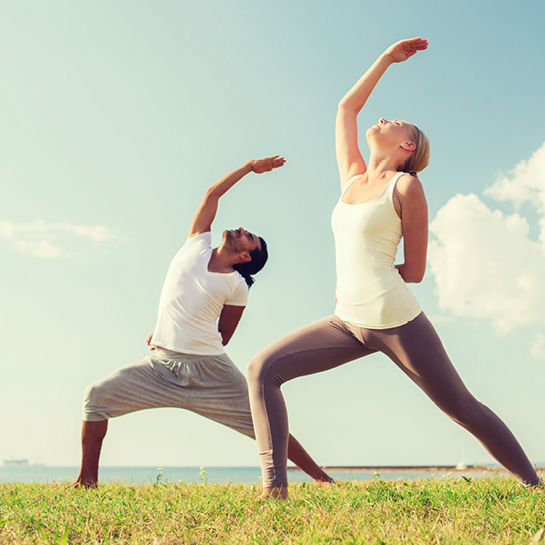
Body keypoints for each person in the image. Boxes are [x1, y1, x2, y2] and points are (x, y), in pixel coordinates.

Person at [246, 39, 544, 499]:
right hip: (346, 321)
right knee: (262, 369)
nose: (381, 118)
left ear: (407, 145)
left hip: (396, 321)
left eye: (395, 121)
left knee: (461, 408)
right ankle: (274, 490)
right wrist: (386, 59)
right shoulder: (352, 178)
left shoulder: (405, 187)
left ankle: (533, 485)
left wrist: (373, 279)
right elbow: (347, 107)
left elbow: (417, 269)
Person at [73, 156, 333, 487]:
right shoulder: (196, 245)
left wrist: (186, 332)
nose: (242, 229)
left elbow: (223, 334)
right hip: (161, 367)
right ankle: (87, 480)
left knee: (266, 424)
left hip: (212, 372)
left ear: (245, 257)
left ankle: (323, 479)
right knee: (95, 397)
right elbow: (213, 194)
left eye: (248, 237)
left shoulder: (237, 286)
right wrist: (250, 167)